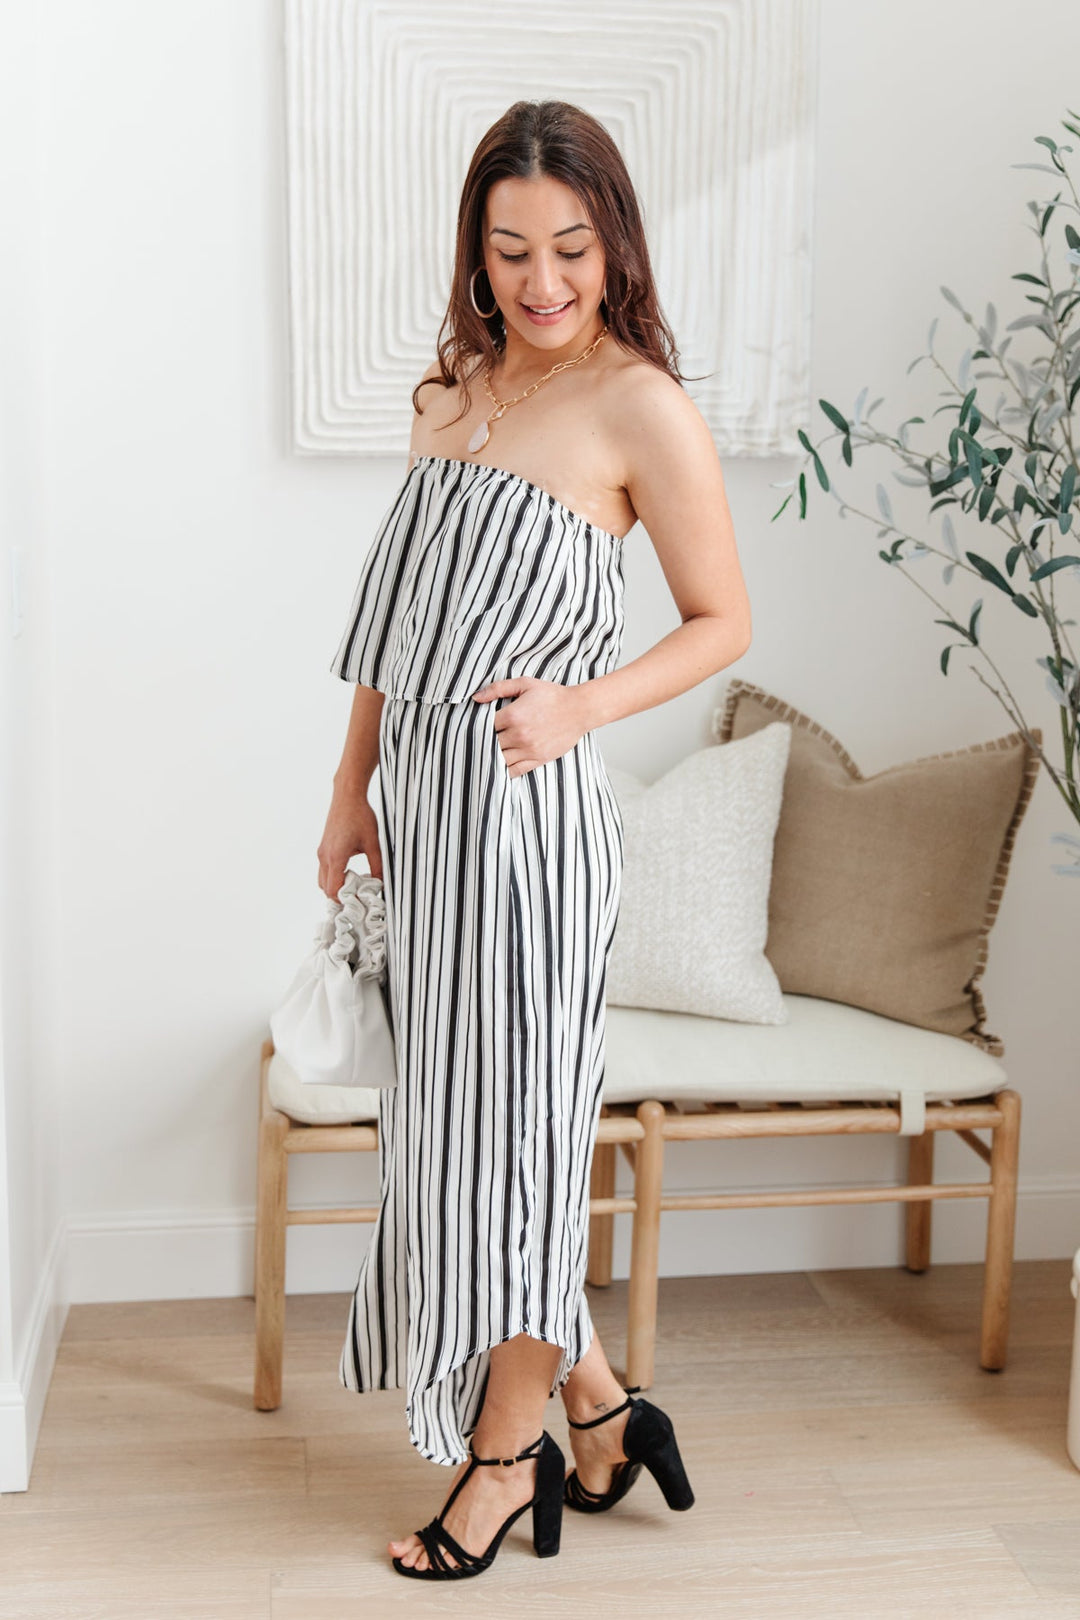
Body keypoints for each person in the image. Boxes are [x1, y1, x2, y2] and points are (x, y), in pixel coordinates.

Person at [318, 99, 752, 1582]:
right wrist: (351, 785)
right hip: (427, 829)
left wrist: (582, 706)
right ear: (478, 250)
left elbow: (722, 621)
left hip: (533, 836)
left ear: (612, 241)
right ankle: (606, 1414)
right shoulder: (453, 388)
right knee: (459, 1143)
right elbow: (395, 623)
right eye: (511, 250)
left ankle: (503, 1464)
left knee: (517, 1149)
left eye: (570, 246)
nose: (542, 280)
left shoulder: (641, 406)